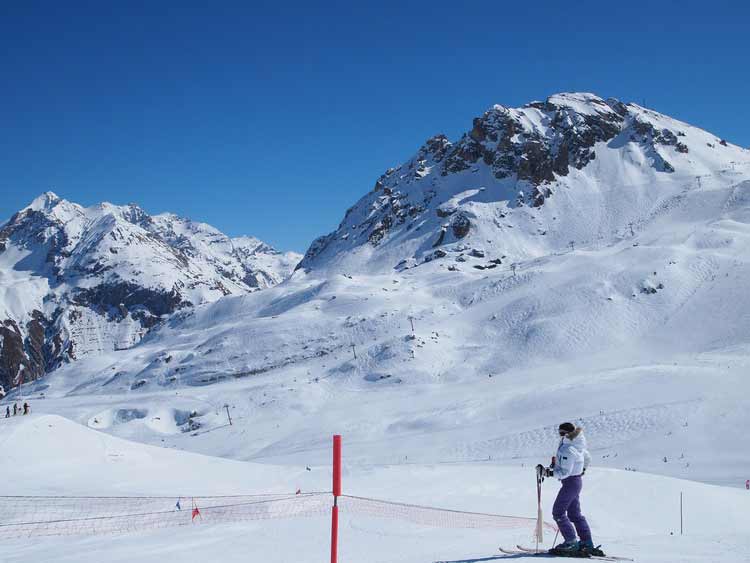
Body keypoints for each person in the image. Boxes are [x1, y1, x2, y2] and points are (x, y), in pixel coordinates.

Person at [538, 422, 603, 557]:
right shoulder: (577, 444)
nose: (560, 436)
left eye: (562, 433)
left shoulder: (568, 449)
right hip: (575, 482)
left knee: (558, 512)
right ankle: (586, 542)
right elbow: (587, 457)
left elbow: (565, 472)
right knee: (574, 514)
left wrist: (547, 473)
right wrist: (581, 469)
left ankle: (571, 542)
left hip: (570, 483)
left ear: (568, 434)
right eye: (559, 433)